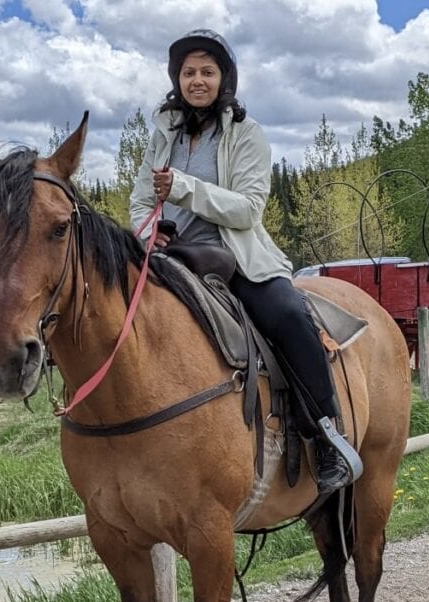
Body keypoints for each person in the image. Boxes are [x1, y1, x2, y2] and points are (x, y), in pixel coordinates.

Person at [130, 29, 362, 494]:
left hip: (238, 259)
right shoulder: (162, 136)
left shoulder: (247, 134)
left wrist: (182, 188)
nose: (197, 80)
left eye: (207, 72)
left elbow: (248, 208)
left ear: (224, 79)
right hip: (171, 258)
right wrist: (147, 233)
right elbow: (139, 200)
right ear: (177, 78)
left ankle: (327, 436)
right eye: (189, 72)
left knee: (289, 316)